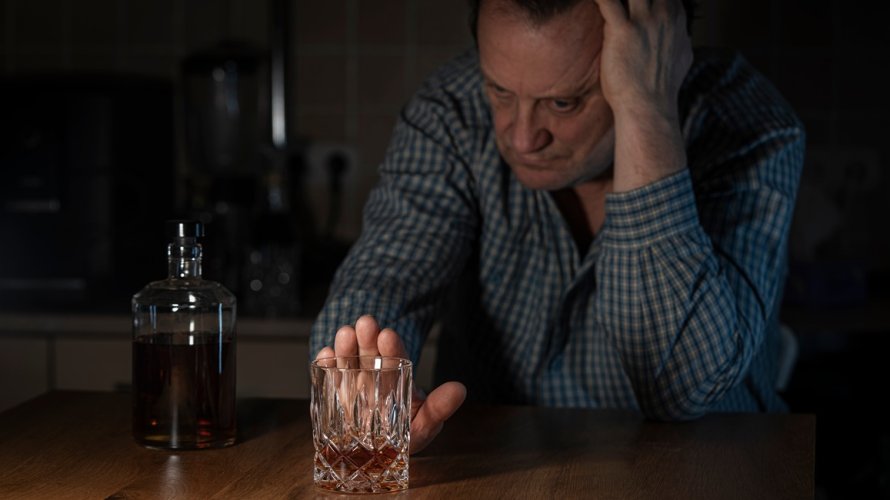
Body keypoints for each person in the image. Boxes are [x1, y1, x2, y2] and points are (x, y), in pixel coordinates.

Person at [310, 0, 805, 454]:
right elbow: (389, 271)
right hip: (494, 472)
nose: (523, 137)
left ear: (659, 54)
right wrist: (362, 378)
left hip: (707, 468)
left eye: (564, 103)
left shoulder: (747, 125)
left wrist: (646, 110)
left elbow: (680, 387)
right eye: (500, 92)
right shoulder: (452, 110)